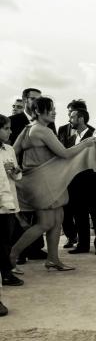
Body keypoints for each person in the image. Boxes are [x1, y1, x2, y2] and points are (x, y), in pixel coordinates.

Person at [12, 97, 96, 271]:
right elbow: (65, 154)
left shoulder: (28, 129)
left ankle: (53, 259)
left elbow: (12, 151)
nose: (54, 112)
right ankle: (11, 256)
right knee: (45, 223)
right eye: (50, 109)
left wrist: (18, 169)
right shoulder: (43, 131)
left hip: (45, 181)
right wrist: (86, 143)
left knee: (58, 220)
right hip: (43, 183)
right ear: (37, 112)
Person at [9, 88, 55, 264]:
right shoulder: (13, 121)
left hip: (42, 176)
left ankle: (35, 249)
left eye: (39, 98)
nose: (37, 101)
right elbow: (10, 148)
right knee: (22, 215)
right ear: (25, 100)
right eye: (33, 98)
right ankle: (17, 252)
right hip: (21, 173)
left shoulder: (47, 122)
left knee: (39, 215)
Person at [64, 108, 96, 255]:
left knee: (95, 214)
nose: (70, 119)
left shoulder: (94, 135)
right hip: (74, 182)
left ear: (81, 118)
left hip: (89, 181)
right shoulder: (70, 139)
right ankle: (83, 245)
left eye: (72, 117)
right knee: (79, 215)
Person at [58, 99, 88, 250]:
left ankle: (84, 239)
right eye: (68, 111)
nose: (68, 114)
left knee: (81, 209)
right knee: (66, 208)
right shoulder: (62, 129)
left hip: (81, 177)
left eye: (71, 111)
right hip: (64, 174)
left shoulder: (91, 131)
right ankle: (71, 236)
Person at [0, 114, 23, 289]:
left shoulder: (9, 149)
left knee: (6, 240)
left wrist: (14, 170)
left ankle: (6, 273)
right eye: (6, 128)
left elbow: (18, 176)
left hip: (9, 202)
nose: (10, 131)